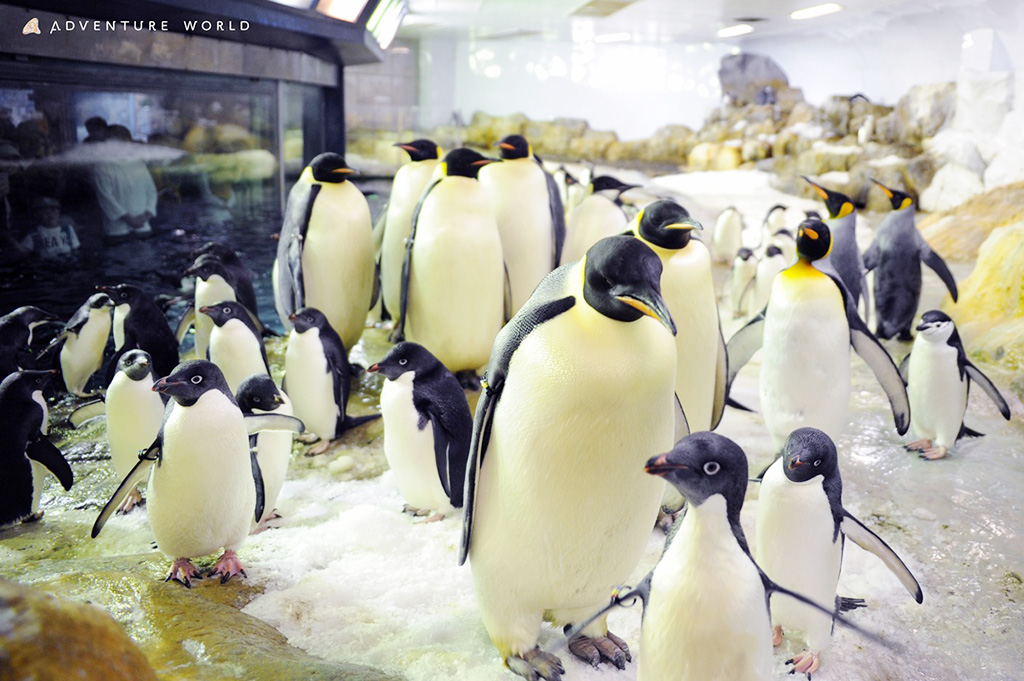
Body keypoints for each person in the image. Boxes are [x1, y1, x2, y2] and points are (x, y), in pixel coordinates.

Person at [89, 123, 158, 240]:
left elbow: (151, 190)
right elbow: (106, 198)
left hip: (143, 227)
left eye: (125, 142)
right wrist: (129, 219)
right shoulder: (102, 166)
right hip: (117, 231)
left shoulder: (137, 163)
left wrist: (146, 214)